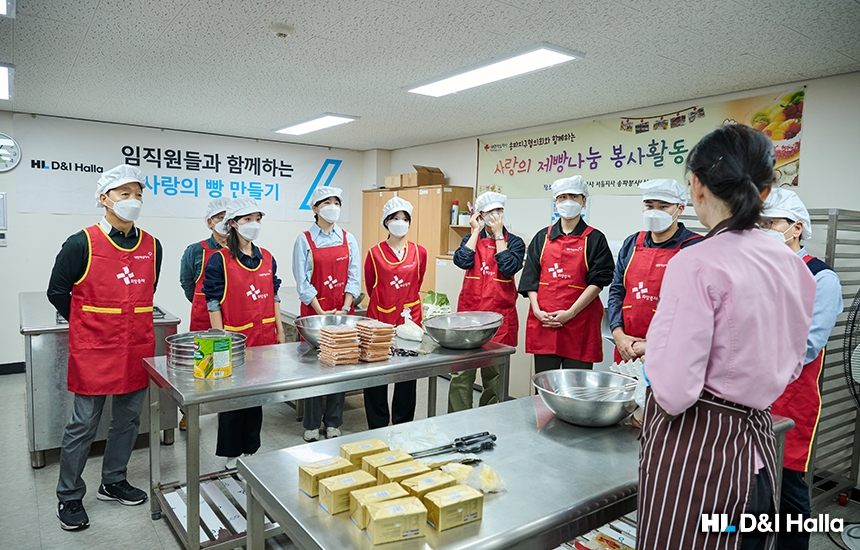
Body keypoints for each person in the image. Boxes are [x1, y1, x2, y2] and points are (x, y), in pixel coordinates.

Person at [637, 124, 817, 550]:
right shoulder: (794, 266)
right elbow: (792, 364)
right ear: (765, 192)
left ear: (697, 186)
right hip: (757, 450)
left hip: (699, 456)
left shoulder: (695, 262)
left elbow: (674, 391)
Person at [47, 165, 162, 531]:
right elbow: (57, 291)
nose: (133, 200)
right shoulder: (81, 242)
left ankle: (113, 481)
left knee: (127, 420)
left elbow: (147, 291)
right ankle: (69, 495)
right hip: (94, 349)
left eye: (138, 194)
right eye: (124, 193)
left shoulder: (152, 246)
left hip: (135, 347)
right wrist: (87, 323)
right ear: (104, 198)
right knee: (83, 424)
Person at [761, 188, 843, 550]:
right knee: (749, 490)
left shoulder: (821, 278)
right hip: (745, 397)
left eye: (771, 223)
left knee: (788, 492)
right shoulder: (755, 270)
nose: (763, 230)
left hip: (789, 399)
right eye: (760, 223)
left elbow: (807, 346)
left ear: (796, 228)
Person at [202, 197, 285, 469]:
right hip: (233, 342)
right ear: (234, 224)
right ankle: (231, 454)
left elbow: (274, 295)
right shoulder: (219, 260)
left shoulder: (267, 258)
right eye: (248, 219)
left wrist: (280, 330)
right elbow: (213, 301)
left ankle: (251, 450)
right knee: (233, 399)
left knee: (255, 397)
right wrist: (219, 340)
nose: (254, 224)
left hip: (264, 340)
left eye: (257, 219)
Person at [518, 176, 614, 375]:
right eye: (562, 197)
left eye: (573, 197)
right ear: (556, 202)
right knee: (545, 385)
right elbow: (530, 278)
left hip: (580, 324)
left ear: (583, 201)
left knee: (576, 387)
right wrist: (537, 310)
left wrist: (570, 313)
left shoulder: (595, 239)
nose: (568, 201)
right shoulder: (542, 237)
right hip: (545, 321)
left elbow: (599, 281)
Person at [292, 186, 360, 442]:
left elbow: (354, 277)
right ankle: (311, 423)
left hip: (342, 312)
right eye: (326, 202)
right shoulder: (304, 240)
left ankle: (333, 421)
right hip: (315, 312)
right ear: (315, 208)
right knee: (313, 368)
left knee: (339, 364)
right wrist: (322, 312)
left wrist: (344, 308)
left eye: (336, 202)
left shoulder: (348, 239)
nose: (333, 207)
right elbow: (302, 282)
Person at [608, 179, 702, 363]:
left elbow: (698, 309)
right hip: (627, 347)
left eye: (663, 206)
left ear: (680, 209)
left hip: (673, 351)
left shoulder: (695, 247)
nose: (654, 212)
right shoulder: (632, 243)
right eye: (649, 206)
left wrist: (656, 345)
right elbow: (617, 290)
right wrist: (618, 334)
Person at [447, 191, 525, 411]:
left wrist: (499, 236)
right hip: (468, 319)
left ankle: (490, 420)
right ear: (480, 215)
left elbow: (508, 267)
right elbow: (462, 261)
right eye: (490, 212)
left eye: (499, 210)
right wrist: (474, 231)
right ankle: (457, 420)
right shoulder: (470, 240)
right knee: (462, 374)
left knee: (495, 377)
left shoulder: (515, 242)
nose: (496, 215)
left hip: (499, 320)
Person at [363, 197, 427, 429]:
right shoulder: (374, 253)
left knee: (407, 376)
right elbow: (370, 285)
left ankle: (403, 424)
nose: (400, 223)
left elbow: (417, 282)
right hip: (380, 320)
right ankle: (377, 425)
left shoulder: (420, 252)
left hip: (410, 321)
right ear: (386, 222)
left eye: (404, 218)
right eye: (395, 218)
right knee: (376, 374)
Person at [177, 197, 230, 430]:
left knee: (229, 367)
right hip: (203, 317)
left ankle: (226, 411)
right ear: (210, 222)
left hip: (233, 317)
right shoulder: (195, 250)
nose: (225, 222)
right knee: (200, 368)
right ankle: (189, 413)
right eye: (220, 218)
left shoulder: (241, 250)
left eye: (229, 218)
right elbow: (187, 282)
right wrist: (202, 302)